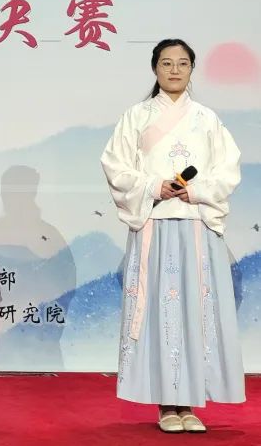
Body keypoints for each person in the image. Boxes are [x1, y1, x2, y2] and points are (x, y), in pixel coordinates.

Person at [101, 39, 245, 433]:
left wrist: (196, 191)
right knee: (161, 313)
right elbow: (115, 165)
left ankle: (190, 403)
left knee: (195, 312)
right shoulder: (137, 116)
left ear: (192, 69)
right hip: (156, 225)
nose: (175, 70)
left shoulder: (207, 119)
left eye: (182, 63)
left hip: (197, 226)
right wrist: (153, 186)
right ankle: (167, 404)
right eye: (167, 63)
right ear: (155, 69)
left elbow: (228, 169)